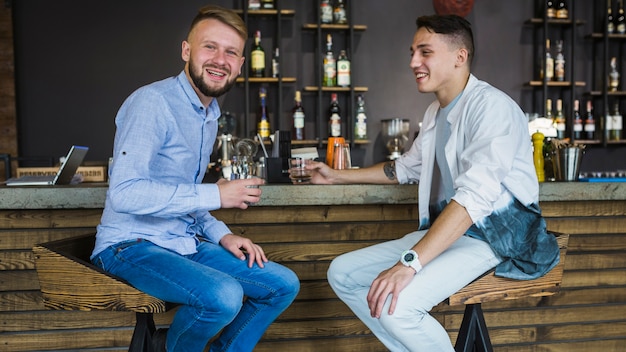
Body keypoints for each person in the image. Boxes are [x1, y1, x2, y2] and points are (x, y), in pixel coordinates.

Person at [309, 14, 560, 351]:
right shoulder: (434, 113)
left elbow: (474, 198)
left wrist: (409, 263)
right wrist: (335, 175)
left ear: (460, 56)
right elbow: (404, 169)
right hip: (450, 234)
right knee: (342, 273)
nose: (413, 62)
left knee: (400, 310)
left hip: (495, 238)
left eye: (425, 52)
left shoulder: (492, 108)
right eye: (413, 52)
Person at [90, 5, 299, 352]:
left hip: (182, 242)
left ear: (241, 65)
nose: (220, 59)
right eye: (210, 47)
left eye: (231, 52)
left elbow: (183, 196)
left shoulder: (208, 115)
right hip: (129, 245)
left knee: (282, 284)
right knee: (223, 296)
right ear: (186, 50)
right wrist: (216, 195)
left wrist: (224, 234)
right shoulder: (153, 102)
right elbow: (125, 194)